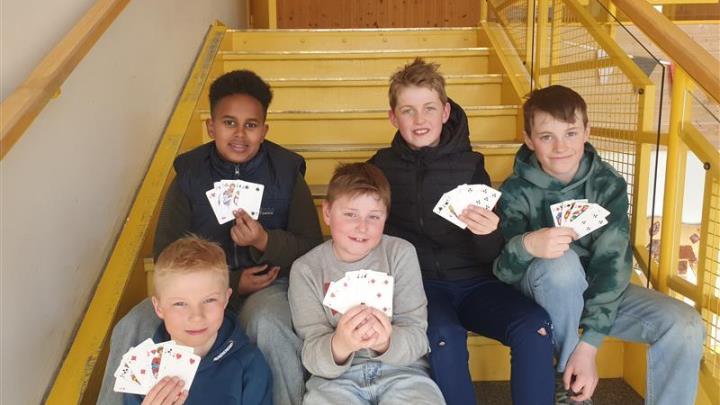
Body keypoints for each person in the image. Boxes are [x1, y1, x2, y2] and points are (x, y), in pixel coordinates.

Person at [99, 70, 324, 405]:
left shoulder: (287, 171)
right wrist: (230, 281)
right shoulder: (190, 174)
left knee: (267, 323)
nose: (240, 134)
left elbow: (312, 248)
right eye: (229, 122)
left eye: (251, 125)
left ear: (264, 130)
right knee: (133, 324)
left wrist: (264, 241)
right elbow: (165, 252)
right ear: (211, 126)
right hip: (195, 291)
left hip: (269, 288)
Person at [493, 85, 705, 404]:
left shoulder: (608, 184)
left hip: (597, 294)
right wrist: (526, 246)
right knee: (561, 265)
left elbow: (613, 263)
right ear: (529, 139)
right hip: (540, 299)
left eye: (571, 133)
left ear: (587, 132)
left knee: (684, 323)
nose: (561, 147)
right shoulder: (514, 191)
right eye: (547, 136)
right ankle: (568, 382)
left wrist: (590, 344)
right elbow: (503, 273)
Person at [368, 58, 554, 405]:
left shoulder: (471, 165)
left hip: (477, 283)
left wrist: (488, 233)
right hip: (420, 286)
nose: (420, 119)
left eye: (429, 108)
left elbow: (491, 255)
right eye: (408, 110)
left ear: (445, 112)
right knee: (444, 335)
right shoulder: (380, 167)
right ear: (393, 117)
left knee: (535, 325)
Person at [288, 162, 446, 405]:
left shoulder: (400, 254)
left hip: (403, 372)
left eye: (373, 216)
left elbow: (417, 336)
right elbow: (310, 354)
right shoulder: (306, 270)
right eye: (350, 214)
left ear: (386, 217)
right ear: (327, 212)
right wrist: (341, 344)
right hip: (335, 381)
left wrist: (385, 342)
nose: (362, 227)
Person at [122, 236, 272, 404]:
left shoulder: (250, 364)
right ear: (159, 308)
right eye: (180, 304)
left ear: (226, 299)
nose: (196, 316)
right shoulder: (141, 369)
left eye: (209, 300)